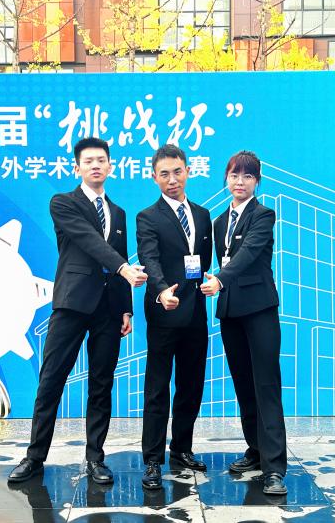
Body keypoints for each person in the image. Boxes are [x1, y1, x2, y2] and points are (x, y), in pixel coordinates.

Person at [8, 137, 148, 485]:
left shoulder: (118, 213)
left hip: (108, 309)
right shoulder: (63, 203)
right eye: (88, 161)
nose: (95, 165)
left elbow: (120, 254)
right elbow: (89, 241)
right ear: (77, 168)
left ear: (110, 166)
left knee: (101, 384)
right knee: (51, 380)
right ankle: (34, 457)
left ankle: (95, 458)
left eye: (101, 160)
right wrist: (124, 269)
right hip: (72, 303)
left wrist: (126, 308)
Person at [200, 150, 288, 496]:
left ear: (257, 181)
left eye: (248, 176)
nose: (240, 182)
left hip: (259, 310)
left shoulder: (263, 215)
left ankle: (274, 467)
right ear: (226, 179)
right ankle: (256, 450)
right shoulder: (219, 222)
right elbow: (217, 260)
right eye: (235, 175)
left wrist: (220, 280)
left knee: (266, 385)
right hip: (231, 312)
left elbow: (248, 253)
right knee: (244, 386)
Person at [135, 144, 213, 490]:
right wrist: (161, 289)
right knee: (157, 389)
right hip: (164, 311)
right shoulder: (147, 217)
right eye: (164, 174)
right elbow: (149, 259)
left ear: (188, 172)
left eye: (177, 172)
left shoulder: (203, 215)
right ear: (154, 177)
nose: (172, 179)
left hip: (196, 313)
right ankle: (152, 460)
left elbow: (203, 260)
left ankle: (181, 449)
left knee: (191, 385)